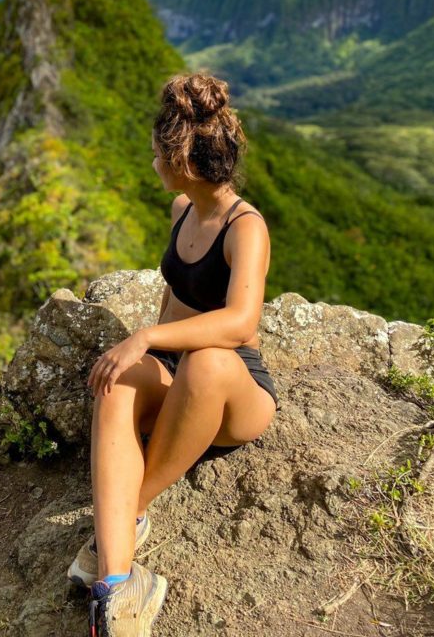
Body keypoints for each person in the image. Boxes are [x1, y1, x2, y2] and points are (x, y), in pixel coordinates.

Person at [69, 72, 280, 637]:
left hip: (234, 390)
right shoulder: (182, 210)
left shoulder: (245, 227)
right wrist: (143, 352)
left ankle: (124, 508)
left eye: (157, 155)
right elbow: (175, 293)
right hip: (175, 374)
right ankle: (116, 588)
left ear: (181, 162)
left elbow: (239, 324)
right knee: (113, 381)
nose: (152, 164)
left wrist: (146, 337)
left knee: (207, 360)